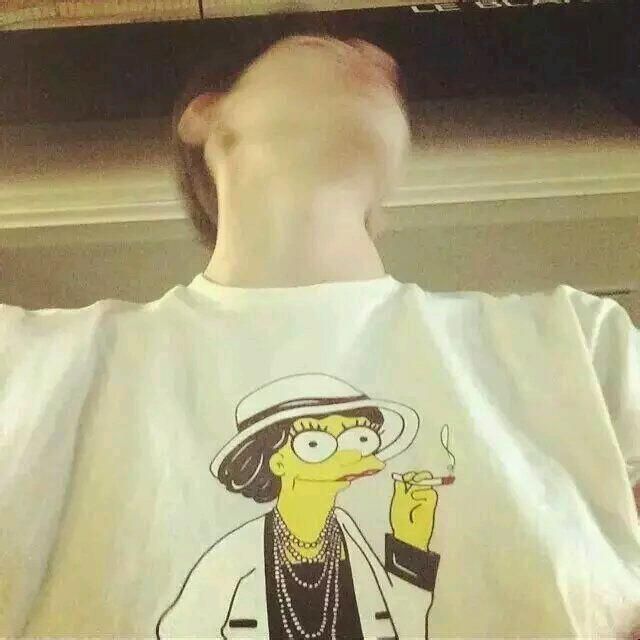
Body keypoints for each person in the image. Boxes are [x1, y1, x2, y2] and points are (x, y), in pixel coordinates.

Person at [0, 34, 638, 640]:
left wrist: (409, 544)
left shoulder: (577, 340)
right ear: (210, 117)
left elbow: (402, 617)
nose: (376, 57)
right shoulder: (29, 362)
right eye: (316, 48)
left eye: (356, 436)